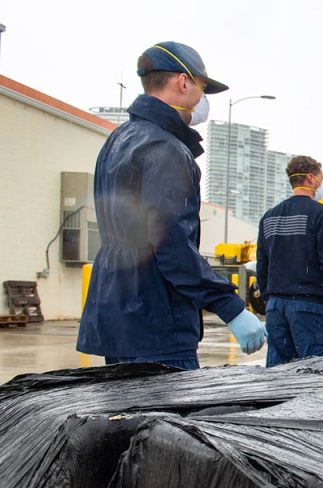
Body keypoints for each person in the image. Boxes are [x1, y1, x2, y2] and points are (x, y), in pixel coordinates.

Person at [77, 41, 265, 370]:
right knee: (164, 422)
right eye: (202, 88)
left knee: (127, 421)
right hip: (156, 321)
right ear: (182, 82)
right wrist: (231, 307)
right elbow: (171, 246)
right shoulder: (166, 149)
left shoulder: (119, 140)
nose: (203, 99)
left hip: (116, 316)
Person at [257, 156, 323, 367]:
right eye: (321, 177)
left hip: (276, 308)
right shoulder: (322, 215)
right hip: (310, 308)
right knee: (322, 374)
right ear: (310, 178)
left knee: (278, 377)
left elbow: (262, 266)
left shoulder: (269, 217)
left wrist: (271, 302)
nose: (322, 183)